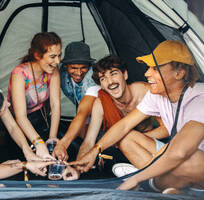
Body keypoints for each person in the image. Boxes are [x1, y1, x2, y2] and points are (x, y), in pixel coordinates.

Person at [72, 40, 204, 193]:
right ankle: (167, 187)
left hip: (197, 164)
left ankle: (154, 184)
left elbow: (179, 152)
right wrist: (94, 151)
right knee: (127, 138)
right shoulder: (157, 95)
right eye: (149, 68)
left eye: (155, 69)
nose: (147, 73)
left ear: (179, 73)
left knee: (193, 159)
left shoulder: (199, 98)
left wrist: (136, 178)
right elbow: (124, 126)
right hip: (174, 154)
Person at [69, 55, 164, 180]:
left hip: (151, 146)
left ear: (125, 75)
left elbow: (167, 128)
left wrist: (136, 139)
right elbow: (88, 142)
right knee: (110, 151)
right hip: (124, 151)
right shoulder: (101, 103)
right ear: (101, 85)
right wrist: (77, 169)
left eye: (113, 74)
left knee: (124, 138)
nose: (110, 81)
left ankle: (156, 177)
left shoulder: (144, 92)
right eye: (103, 78)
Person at [8, 32, 61, 160]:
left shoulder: (53, 71)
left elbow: (55, 104)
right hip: (19, 124)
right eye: (53, 56)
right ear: (37, 55)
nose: (57, 61)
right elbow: (21, 116)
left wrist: (52, 138)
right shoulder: (20, 74)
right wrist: (38, 142)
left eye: (59, 56)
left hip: (41, 118)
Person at [53, 41, 98, 161]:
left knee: (88, 141)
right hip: (83, 113)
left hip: (101, 116)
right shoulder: (60, 73)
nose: (78, 73)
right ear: (65, 66)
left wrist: (63, 144)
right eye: (74, 68)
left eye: (83, 68)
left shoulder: (93, 78)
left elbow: (83, 113)